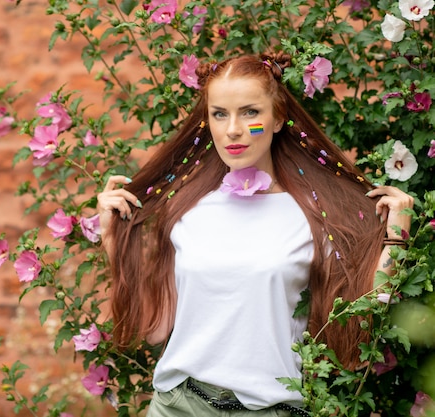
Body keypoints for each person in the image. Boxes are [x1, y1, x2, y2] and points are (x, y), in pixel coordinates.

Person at [96, 52, 414, 416]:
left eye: (250, 112)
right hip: (179, 405)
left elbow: (362, 320)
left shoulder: (313, 217)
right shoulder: (185, 210)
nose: (233, 129)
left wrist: (395, 238)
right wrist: (112, 238)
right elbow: (154, 329)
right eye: (219, 114)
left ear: (278, 118)